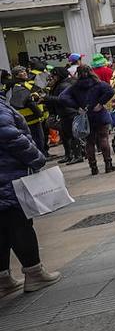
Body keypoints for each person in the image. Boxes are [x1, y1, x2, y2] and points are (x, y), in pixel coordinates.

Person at [0, 91, 62, 295]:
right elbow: (11, 137)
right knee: (19, 224)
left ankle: (3, 279)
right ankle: (34, 273)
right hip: (6, 173)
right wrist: (37, 157)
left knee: (2, 228)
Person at [60, 64, 115, 176]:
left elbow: (63, 97)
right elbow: (110, 91)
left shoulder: (74, 86)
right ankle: (108, 165)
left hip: (85, 117)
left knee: (89, 142)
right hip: (99, 114)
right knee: (104, 139)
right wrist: (101, 102)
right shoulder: (98, 83)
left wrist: (77, 106)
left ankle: (93, 167)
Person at [43, 66, 84, 164]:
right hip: (65, 113)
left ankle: (77, 155)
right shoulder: (60, 84)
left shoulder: (64, 85)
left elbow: (62, 100)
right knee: (65, 135)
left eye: (54, 75)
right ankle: (69, 155)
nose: (52, 78)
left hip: (69, 112)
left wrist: (47, 98)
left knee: (72, 135)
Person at [5, 66, 48, 156]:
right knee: (37, 138)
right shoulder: (18, 86)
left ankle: (43, 154)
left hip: (34, 117)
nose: (24, 73)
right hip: (30, 117)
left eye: (24, 71)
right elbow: (27, 100)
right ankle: (40, 155)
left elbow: (37, 93)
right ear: (16, 75)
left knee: (40, 138)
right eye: (21, 72)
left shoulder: (24, 84)